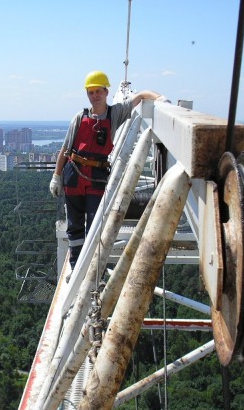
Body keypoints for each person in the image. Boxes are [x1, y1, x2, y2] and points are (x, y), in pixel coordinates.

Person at [49, 70, 165, 272]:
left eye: (98, 91)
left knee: (95, 226)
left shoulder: (115, 113)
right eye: (91, 92)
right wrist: (56, 176)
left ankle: (94, 271)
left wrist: (160, 99)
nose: (95, 96)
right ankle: (76, 268)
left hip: (97, 176)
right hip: (74, 174)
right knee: (75, 226)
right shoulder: (80, 117)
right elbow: (65, 150)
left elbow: (139, 97)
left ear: (106, 91)